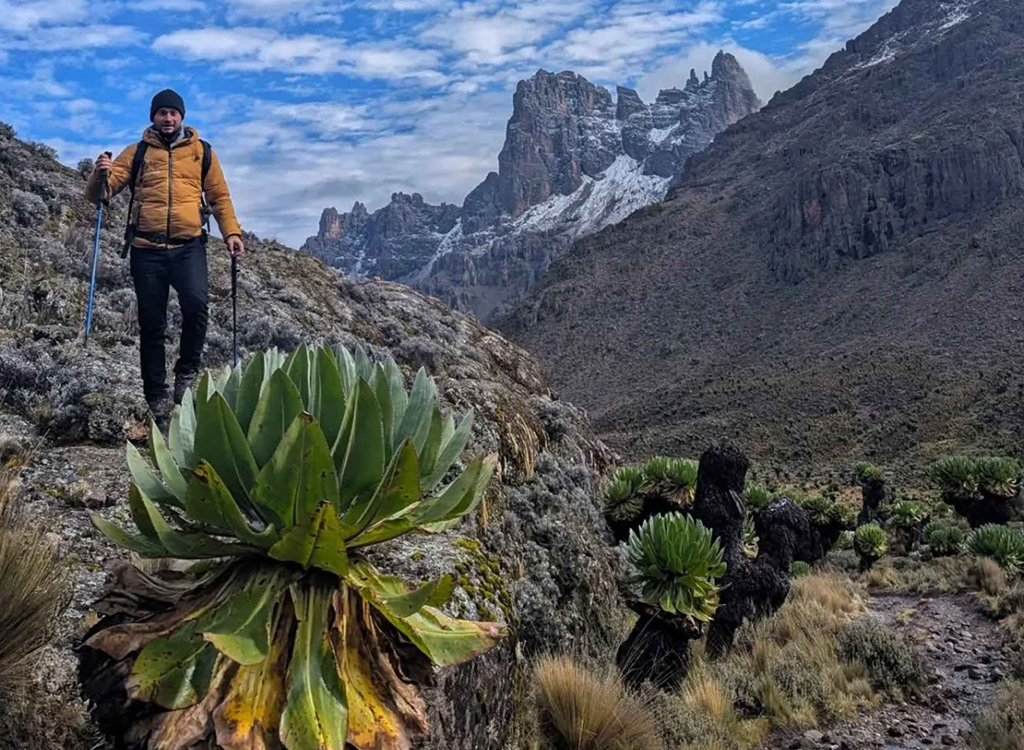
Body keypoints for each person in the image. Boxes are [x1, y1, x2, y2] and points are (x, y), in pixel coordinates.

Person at [85, 89, 244, 430]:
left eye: (173, 113)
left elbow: (219, 196)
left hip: (188, 247)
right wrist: (99, 173)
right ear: (153, 117)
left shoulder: (202, 153)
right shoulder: (137, 152)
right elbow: (102, 194)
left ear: (182, 117)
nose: (168, 119)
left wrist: (232, 233)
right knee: (152, 323)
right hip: (146, 250)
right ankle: (155, 395)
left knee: (197, 307)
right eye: (162, 113)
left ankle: (185, 375)